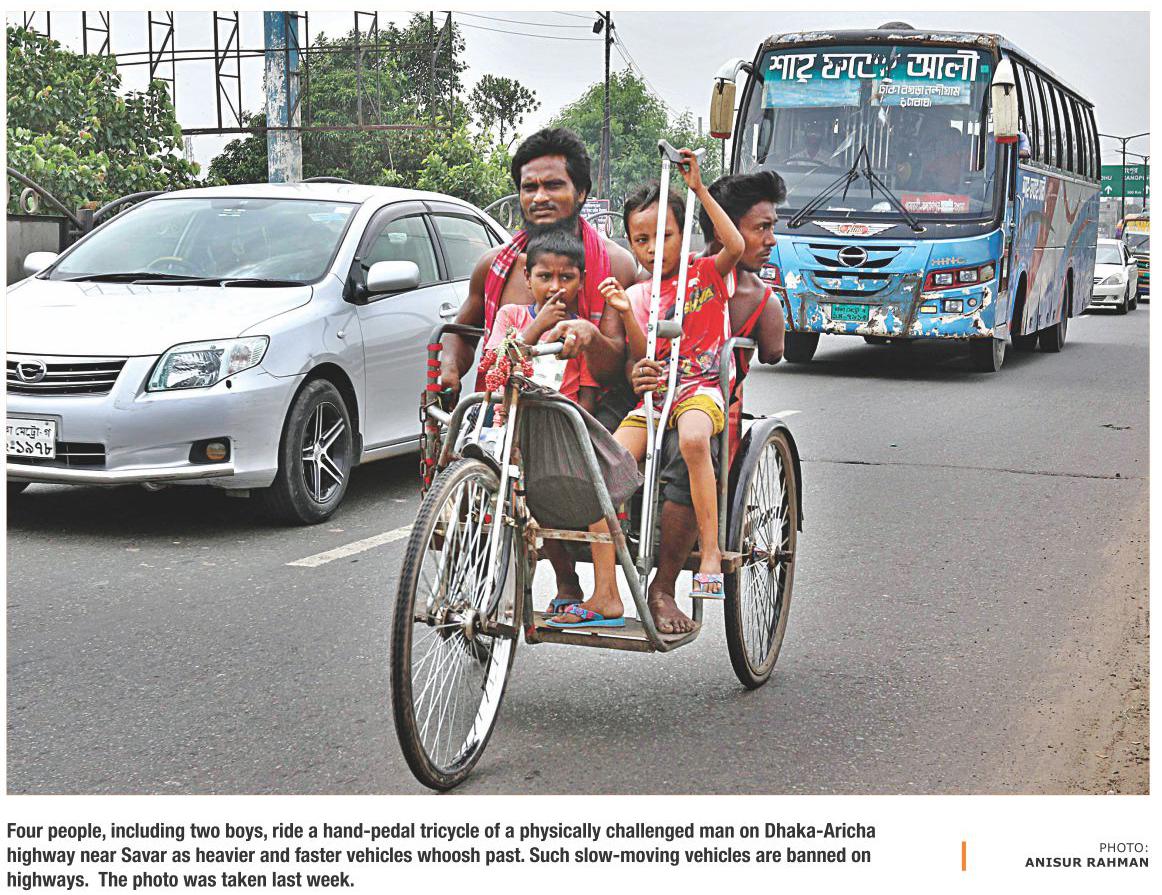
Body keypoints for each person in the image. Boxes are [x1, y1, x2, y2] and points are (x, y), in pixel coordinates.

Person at [439, 127, 640, 613]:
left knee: (567, 463)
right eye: (529, 187)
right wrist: (449, 371)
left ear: (582, 192)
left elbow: (618, 365)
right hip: (509, 400)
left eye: (553, 185)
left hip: (592, 401)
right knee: (468, 444)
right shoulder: (495, 266)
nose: (540, 197)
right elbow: (461, 332)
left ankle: (599, 585)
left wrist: (589, 337)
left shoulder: (615, 264)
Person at [547, 149, 745, 628]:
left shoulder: (705, 272)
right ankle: (607, 592)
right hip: (655, 399)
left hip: (698, 390)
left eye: (665, 236)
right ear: (632, 244)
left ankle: (711, 551)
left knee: (693, 440)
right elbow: (641, 354)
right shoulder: (637, 293)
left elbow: (736, 246)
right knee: (601, 469)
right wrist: (625, 312)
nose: (654, 249)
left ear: (684, 234)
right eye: (642, 240)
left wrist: (699, 189)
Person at [628, 169, 788, 634]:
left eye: (771, 228)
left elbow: (773, 352)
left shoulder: (741, 290)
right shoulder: (666, 281)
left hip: (704, 406)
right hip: (656, 395)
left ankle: (665, 585)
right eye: (762, 228)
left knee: (688, 448)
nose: (771, 240)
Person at [481, 227, 597, 411]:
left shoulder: (581, 331)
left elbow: (587, 397)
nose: (555, 287)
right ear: (528, 278)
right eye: (545, 276)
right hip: (510, 418)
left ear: (581, 280)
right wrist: (537, 327)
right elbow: (495, 366)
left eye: (566, 277)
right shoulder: (510, 316)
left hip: (562, 420)